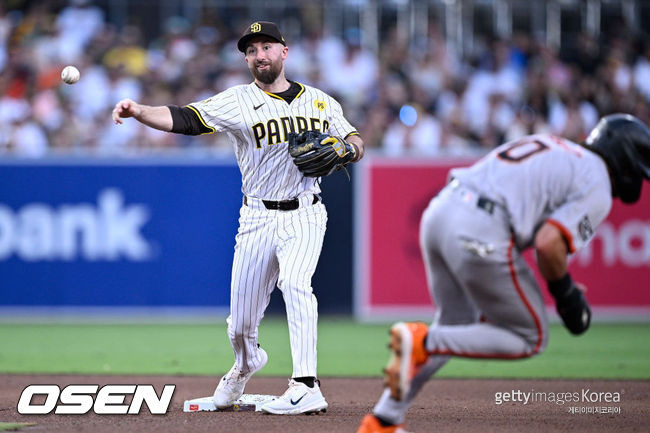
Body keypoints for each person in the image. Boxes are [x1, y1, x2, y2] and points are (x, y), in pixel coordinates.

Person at [112, 20, 364, 415]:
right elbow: (186, 119)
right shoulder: (237, 100)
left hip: (305, 212)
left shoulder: (320, 101)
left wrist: (348, 151)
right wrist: (139, 110)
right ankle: (246, 363)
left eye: (266, 47)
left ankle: (305, 384)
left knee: (296, 284)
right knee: (241, 325)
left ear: (284, 51)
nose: (258, 55)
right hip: (257, 218)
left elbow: (355, 139)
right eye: (251, 50)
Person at [357, 114, 649, 433]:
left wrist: (563, 283)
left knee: (457, 325)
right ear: (625, 157)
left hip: (441, 211)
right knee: (530, 335)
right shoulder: (598, 180)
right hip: (480, 227)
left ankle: (384, 419)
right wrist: (567, 295)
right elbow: (548, 245)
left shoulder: (558, 146)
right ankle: (422, 339)